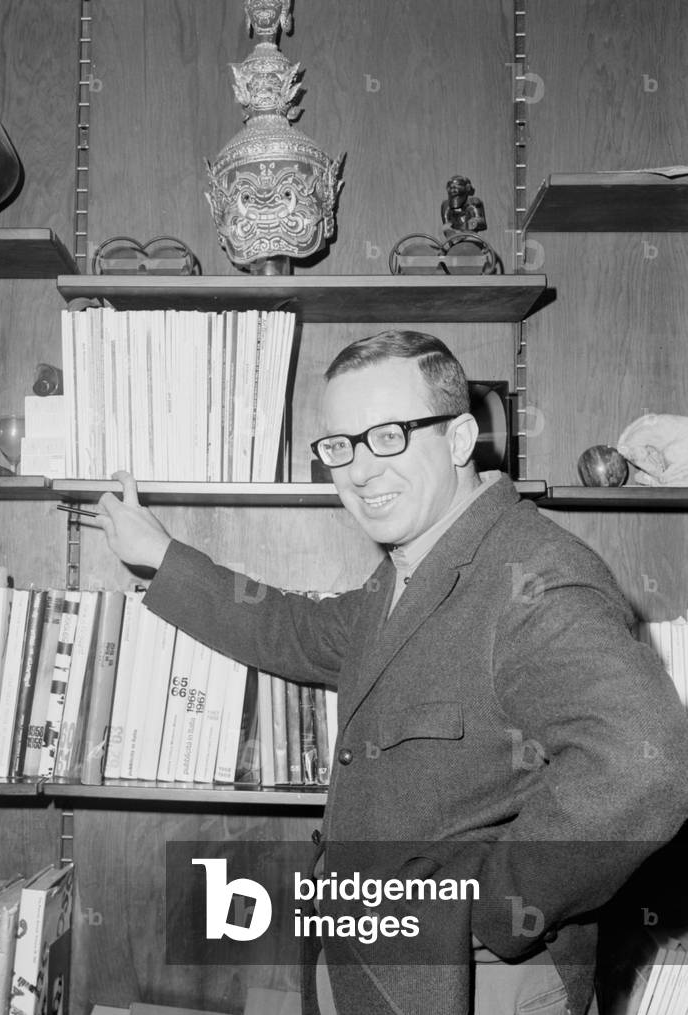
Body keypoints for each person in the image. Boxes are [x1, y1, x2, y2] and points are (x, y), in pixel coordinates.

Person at [87, 330, 688, 1015]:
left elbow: (650, 767)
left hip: (472, 979)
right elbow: (293, 629)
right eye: (339, 444)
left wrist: (494, 911)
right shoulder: (409, 570)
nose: (359, 470)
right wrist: (160, 556)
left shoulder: (536, 577)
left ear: (460, 438)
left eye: (389, 436)